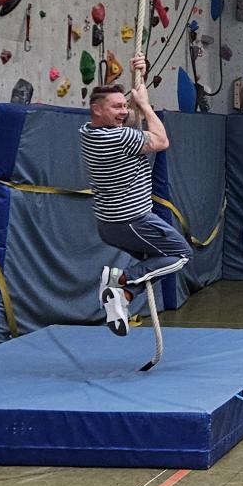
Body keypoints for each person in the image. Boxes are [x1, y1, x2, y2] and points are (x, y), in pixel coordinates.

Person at [80, 54, 188, 335]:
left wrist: (136, 76)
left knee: (156, 262)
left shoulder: (88, 133)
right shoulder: (118, 138)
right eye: (116, 107)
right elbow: (161, 141)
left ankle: (124, 294)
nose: (123, 111)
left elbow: (130, 118)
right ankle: (121, 281)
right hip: (133, 220)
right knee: (180, 255)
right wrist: (146, 106)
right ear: (96, 110)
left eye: (124, 105)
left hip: (109, 225)